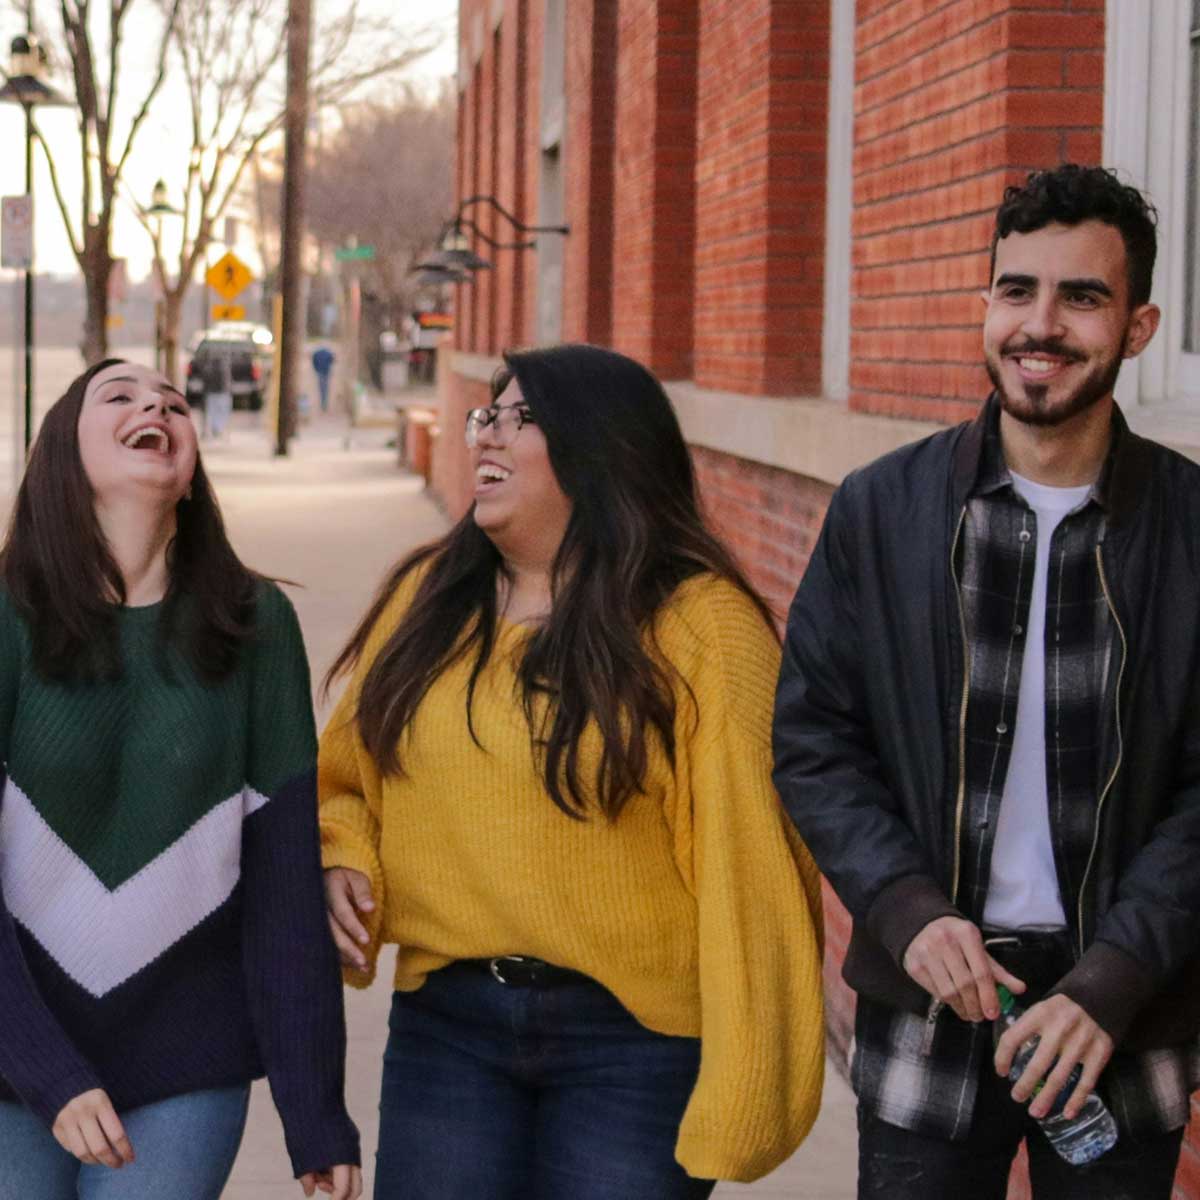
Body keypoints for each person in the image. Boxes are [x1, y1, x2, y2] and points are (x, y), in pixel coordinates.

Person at [773, 162, 1200, 1200]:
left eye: (1081, 296)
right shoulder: (884, 512)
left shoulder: (1191, 528)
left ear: (1138, 328)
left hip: (1123, 1012)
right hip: (932, 1002)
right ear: (987, 306)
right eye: (1018, 291)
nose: (1040, 325)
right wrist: (907, 910)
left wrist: (1114, 978)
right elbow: (815, 741)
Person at [318, 343, 825, 1200]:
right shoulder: (429, 601)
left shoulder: (699, 625)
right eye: (489, 414)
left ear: (603, 449)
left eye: (524, 420)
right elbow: (346, 778)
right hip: (449, 1029)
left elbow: (754, 864)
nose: (489, 436)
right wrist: (343, 858)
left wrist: (750, 1082)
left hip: (634, 1045)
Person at [0, 360, 361, 1200]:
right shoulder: (7, 615)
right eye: (119, 396)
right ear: (62, 450)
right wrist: (47, 1072)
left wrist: (316, 1112)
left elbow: (281, 885)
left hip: (185, 1060)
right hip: (14, 1048)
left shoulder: (256, 625)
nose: (156, 406)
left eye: (172, 401)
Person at [312, 346, 335, 414]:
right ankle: (324, 404)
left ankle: (323, 403)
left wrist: (316, 369)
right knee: (326, 388)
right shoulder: (328, 353)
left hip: (320, 372)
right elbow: (332, 360)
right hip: (326, 372)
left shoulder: (316, 353)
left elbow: (314, 361)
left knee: (321, 388)